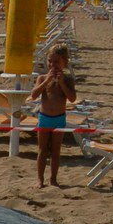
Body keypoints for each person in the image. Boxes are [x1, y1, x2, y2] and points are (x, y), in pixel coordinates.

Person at [28, 45, 77, 188]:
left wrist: (61, 83)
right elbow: (34, 94)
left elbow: (72, 98)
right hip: (44, 117)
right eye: (50, 61)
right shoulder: (42, 77)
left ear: (64, 63)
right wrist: (46, 81)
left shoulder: (68, 79)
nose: (52, 65)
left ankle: (53, 179)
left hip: (59, 118)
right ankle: (39, 179)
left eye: (56, 62)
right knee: (42, 150)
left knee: (56, 151)